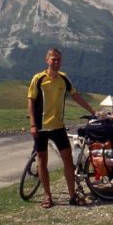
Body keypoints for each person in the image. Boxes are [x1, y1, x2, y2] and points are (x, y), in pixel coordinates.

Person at [27, 48, 96, 208]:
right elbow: (30, 101)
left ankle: (72, 196)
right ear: (47, 60)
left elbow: (76, 96)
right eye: (53, 59)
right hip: (41, 127)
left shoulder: (63, 79)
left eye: (58, 59)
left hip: (58, 126)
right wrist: (32, 124)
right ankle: (47, 196)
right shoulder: (38, 79)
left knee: (67, 159)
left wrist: (92, 111)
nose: (56, 62)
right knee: (42, 161)